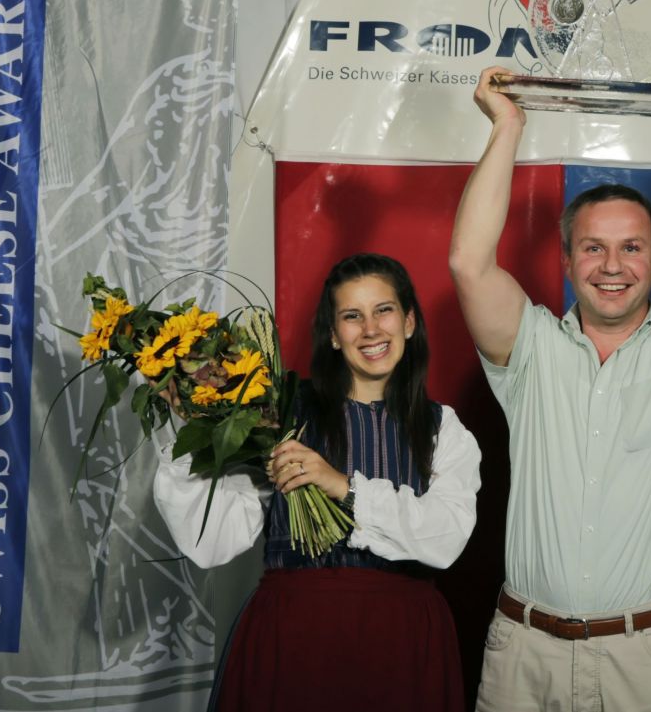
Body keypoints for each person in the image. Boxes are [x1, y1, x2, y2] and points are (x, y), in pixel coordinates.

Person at [449, 66, 651, 711]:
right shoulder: (529, 350)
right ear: (566, 260)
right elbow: (468, 263)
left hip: (650, 659)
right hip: (526, 655)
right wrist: (508, 125)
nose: (612, 266)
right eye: (592, 248)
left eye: (631, 248)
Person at [152, 253, 481, 711]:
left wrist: (342, 486)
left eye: (383, 310)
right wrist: (196, 430)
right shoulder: (277, 415)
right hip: (293, 640)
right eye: (351, 316)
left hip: (403, 644)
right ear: (332, 334)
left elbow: (446, 537)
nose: (370, 329)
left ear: (408, 322)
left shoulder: (443, 428)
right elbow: (212, 542)